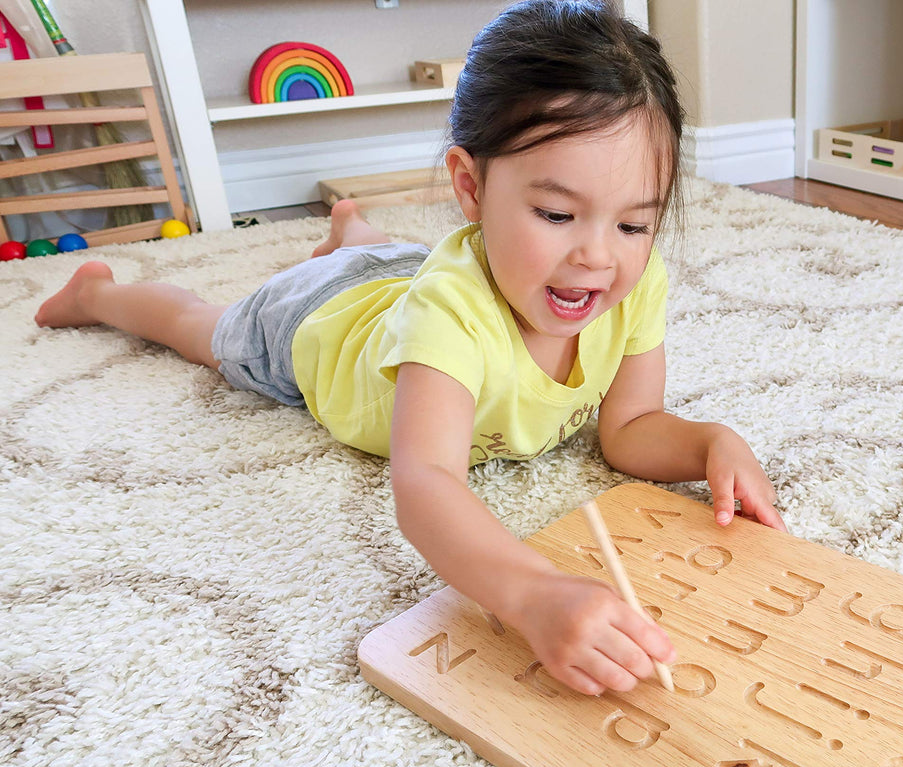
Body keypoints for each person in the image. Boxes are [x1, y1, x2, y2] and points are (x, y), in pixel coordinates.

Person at [34, 0, 785, 696]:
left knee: (386, 256)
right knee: (203, 329)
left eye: (632, 224)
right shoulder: (449, 312)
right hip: (317, 326)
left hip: (401, 274)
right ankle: (100, 292)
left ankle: (351, 233)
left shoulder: (633, 279)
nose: (598, 257)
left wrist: (710, 442)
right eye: (558, 213)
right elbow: (425, 483)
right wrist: (531, 592)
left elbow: (630, 428)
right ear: (470, 186)